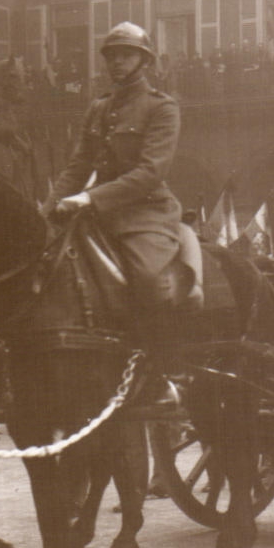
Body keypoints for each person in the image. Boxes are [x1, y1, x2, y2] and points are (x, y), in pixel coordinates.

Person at [50, 22, 188, 335]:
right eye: (112, 56)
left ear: (144, 61)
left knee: (151, 280)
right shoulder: (98, 108)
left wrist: (89, 198)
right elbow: (78, 166)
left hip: (146, 214)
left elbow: (150, 173)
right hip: (97, 217)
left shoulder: (162, 107)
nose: (117, 62)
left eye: (127, 55)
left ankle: (166, 366)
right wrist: (47, 209)